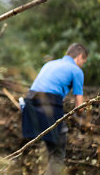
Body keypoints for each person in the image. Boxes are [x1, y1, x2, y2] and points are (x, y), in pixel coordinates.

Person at [21, 43, 88, 175]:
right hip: (49, 105)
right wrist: (82, 120)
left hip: (29, 103)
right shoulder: (76, 70)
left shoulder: (50, 64)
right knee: (58, 152)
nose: (82, 65)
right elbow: (79, 106)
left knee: (51, 148)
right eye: (83, 61)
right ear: (80, 57)